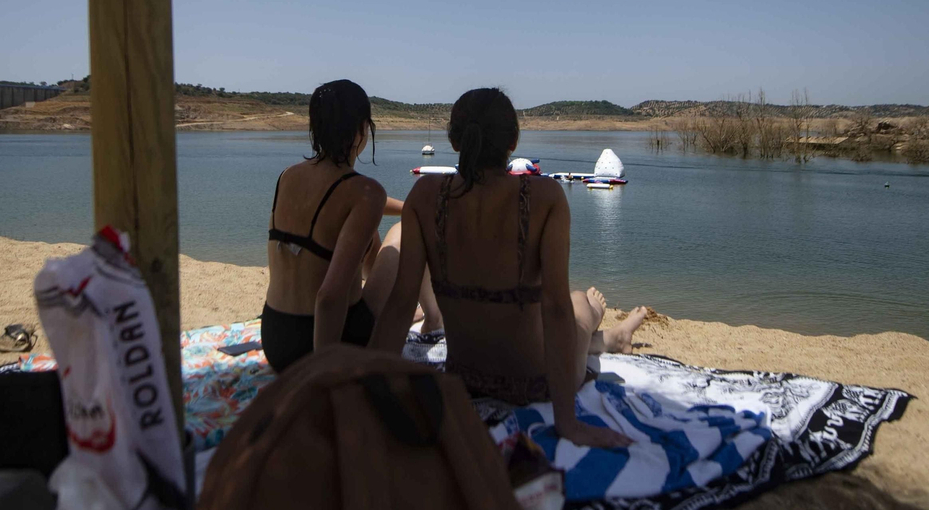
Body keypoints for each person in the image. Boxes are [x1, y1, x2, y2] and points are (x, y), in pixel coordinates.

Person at [371, 88, 647, 450]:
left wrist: (370, 388)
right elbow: (555, 309)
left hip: (465, 378)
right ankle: (607, 335)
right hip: (535, 383)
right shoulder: (545, 197)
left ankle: (607, 340)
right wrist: (568, 422)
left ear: (454, 141)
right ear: (513, 141)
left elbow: (401, 303)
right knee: (580, 303)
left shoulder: (425, 196)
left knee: (575, 313)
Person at [262, 79, 438, 372]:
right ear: (362, 130)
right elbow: (330, 297)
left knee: (363, 231)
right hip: (324, 343)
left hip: (276, 339)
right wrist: (326, 371)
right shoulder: (364, 192)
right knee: (404, 230)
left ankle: (425, 314)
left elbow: (348, 201)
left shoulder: (288, 176)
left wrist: (409, 207)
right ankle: (433, 318)